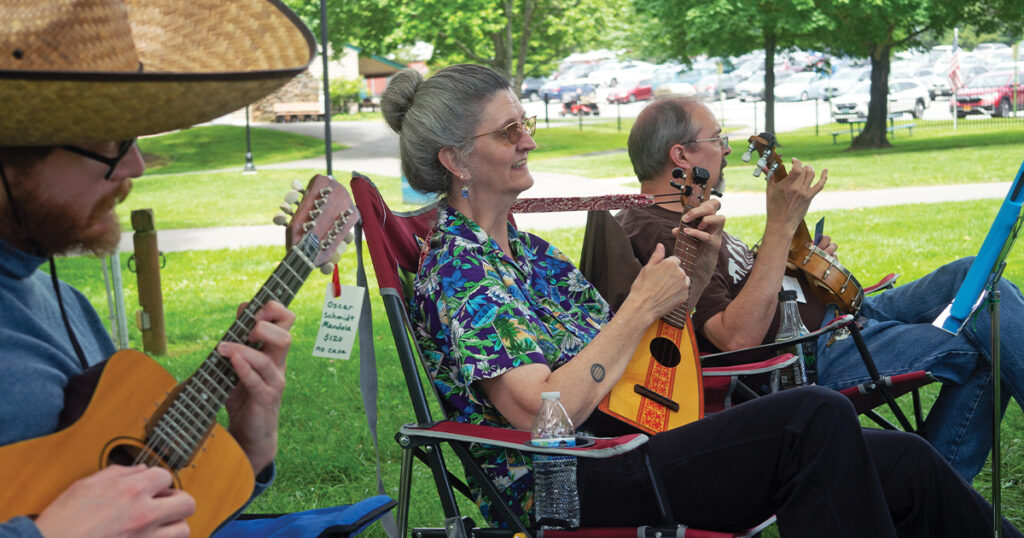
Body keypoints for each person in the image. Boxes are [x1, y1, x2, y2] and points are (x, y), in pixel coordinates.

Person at [384, 63, 1021, 536]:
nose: (530, 140)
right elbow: (538, 418)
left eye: (525, 124)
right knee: (811, 417)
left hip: (635, 437)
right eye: (510, 131)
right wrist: (639, 306)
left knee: (906, 461)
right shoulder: (461, 270)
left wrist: (687, 281)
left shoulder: (532, 255)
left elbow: (635, 362)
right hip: (574, 481)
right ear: (457, 161)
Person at [0, 0, 313, 536]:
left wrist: (246, 447)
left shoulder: (63, 305)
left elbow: (138, 504)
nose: (136, 165)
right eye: (110, 141)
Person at [616, 95, 1024, 483]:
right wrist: (779, 226)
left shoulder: (686, 210)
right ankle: (931, 498)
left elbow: (744, 283)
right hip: (812, 355)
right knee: (989, 341)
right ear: (681, 155)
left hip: (838, 320)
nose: (725, 151)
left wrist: (793, 259)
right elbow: (737, 337)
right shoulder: (665, 232)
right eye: (717, 139)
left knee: (973, 275)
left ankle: (926, 496)